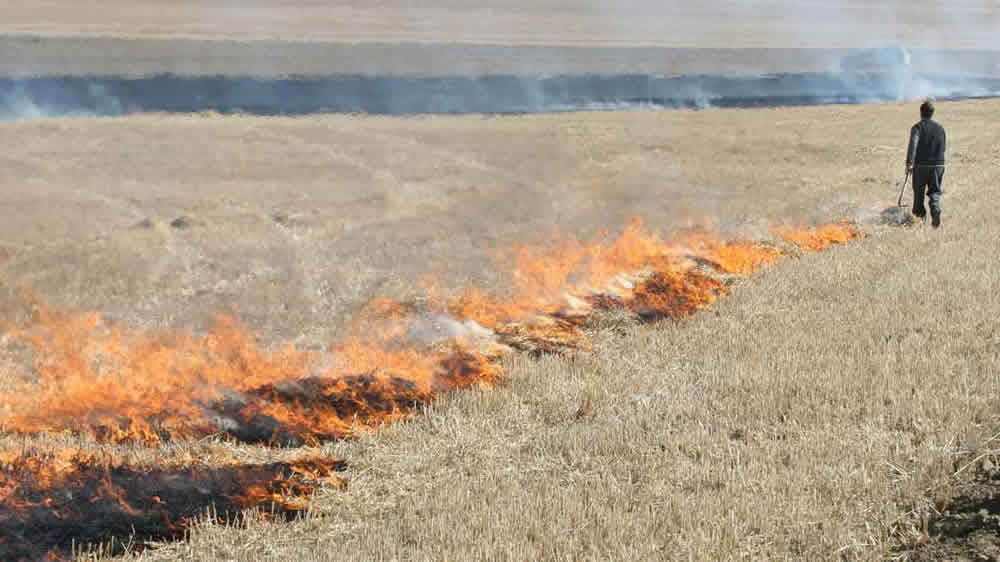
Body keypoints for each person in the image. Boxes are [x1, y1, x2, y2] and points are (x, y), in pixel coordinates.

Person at [906, 100, 947, 228]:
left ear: (921, 113)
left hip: (920, 166)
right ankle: (935, 210)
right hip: (938, 165)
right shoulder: (940, 128)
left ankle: (920, 221)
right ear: (932, 113)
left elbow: (913, 145)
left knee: (919, 193)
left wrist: (909, 163)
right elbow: (943, 147)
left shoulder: (917, 127)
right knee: (934, 191)